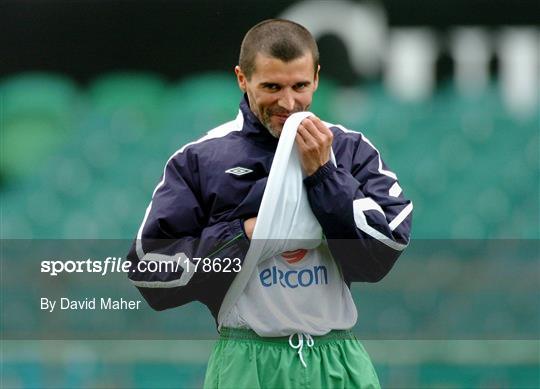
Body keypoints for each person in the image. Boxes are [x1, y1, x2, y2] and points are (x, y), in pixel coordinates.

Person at [128, 19, 412, 388]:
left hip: (338, 356)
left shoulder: (349, 149)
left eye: (300, 86)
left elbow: (382, 252)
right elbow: (148, 272)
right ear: (242, 79)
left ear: (317, 78)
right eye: (271, 87)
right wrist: (245, 235)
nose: (288, 103)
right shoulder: (201, 159)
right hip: (247, 360)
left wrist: (325, 175)